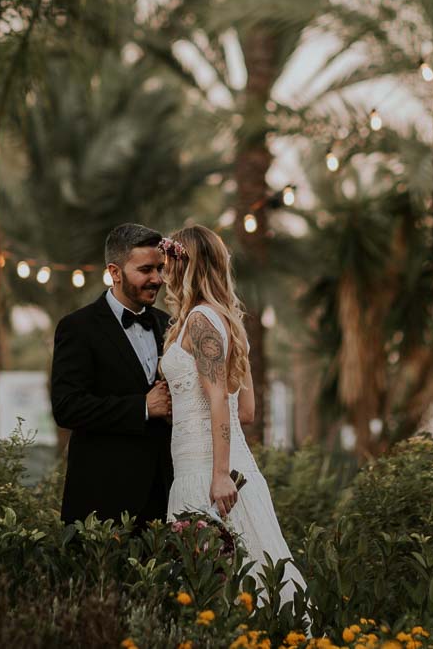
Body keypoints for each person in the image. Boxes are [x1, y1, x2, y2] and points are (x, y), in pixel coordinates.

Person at [160, 224, 306, 609]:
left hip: (209, 475)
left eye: (169, 262)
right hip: (227, 467)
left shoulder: (199, 322)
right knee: (250, 583)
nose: (164, 272)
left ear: (185, 266)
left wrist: (220, 474)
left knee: (220, 594)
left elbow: (219, 402)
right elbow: (248, 409)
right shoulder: (227, 320)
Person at [51, 222, 173, 526]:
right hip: (103, 500)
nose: (157, 279)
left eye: (160, 268)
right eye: (146, 270)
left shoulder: (171, 325)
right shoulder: (78, 328)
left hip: (166, 497)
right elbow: (67, 407)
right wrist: (143, 407)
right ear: (115, 272)